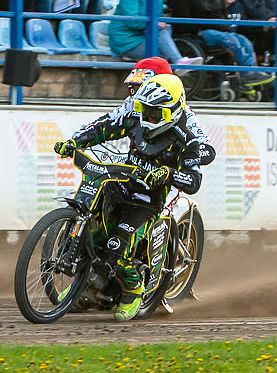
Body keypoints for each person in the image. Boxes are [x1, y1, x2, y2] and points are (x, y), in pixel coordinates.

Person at [53, 73, 216, 321]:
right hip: (121, 186)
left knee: (116, 246)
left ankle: (132, 288)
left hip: (148, 203)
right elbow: (103, 128)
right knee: (94, 234)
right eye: (144, 110)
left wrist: (168, 174)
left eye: (155, 113)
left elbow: (194, 181)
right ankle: (87, 284)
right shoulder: (135, 119)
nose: (147, 118)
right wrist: (73, 141)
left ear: (172, 112)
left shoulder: (187, 139)